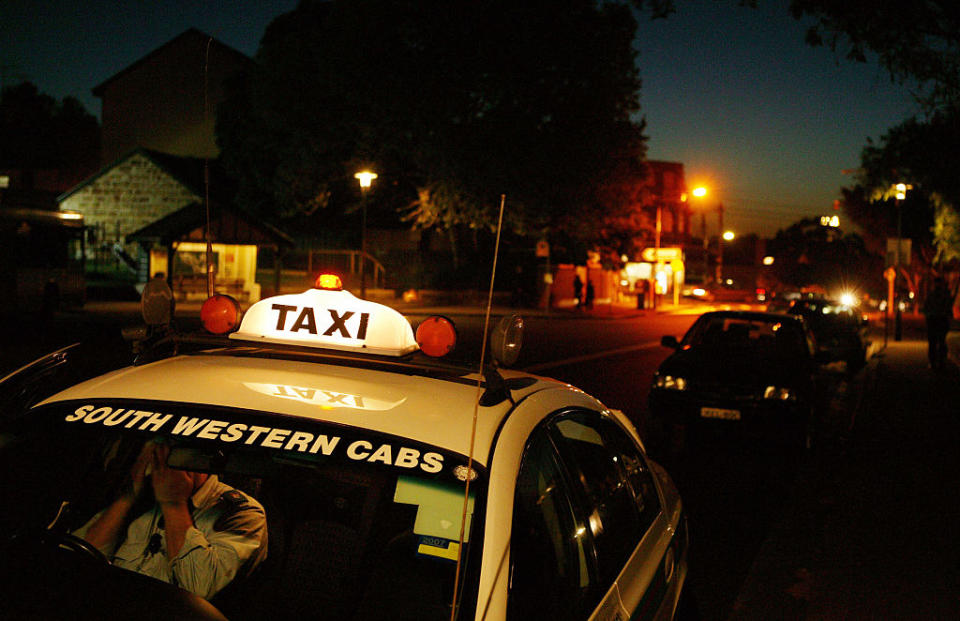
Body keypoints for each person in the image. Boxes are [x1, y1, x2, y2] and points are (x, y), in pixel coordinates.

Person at [76, 441, 268, 600]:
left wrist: (174, 504)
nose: (157, 461)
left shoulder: (242, 512)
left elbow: (198, 586)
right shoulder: (143, 496)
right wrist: (128, 497)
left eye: (165, 451)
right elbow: (75, 560)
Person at [922, 276, 954, 369]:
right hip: (938, 321)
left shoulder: (934, 295)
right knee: (939, 342)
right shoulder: (942, 295)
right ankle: (938, 361)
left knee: (936, 342)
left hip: (936, 321)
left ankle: (936, 361)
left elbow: (926, 308)